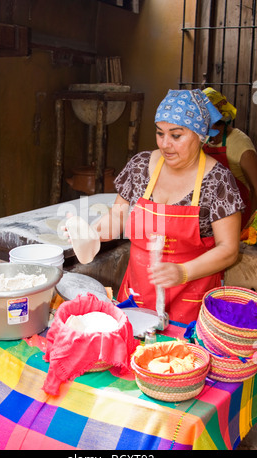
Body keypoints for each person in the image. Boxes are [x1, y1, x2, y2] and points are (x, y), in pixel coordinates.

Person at [94, 89, 245, 325]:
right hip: (137, 297)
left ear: (200, 135)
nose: (165, 144)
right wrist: (95, 231)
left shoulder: (218, 181)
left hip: (192, 300)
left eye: (176, 135)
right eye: (160, 133)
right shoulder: (140, 166)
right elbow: (117, 216)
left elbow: (228, 249)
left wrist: (182, 272)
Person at [202, 87, 257, 228]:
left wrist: (249, 227)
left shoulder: (241, 144)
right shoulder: (203, 139)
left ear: (221, 120)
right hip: (210, 215)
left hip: (238, 217)